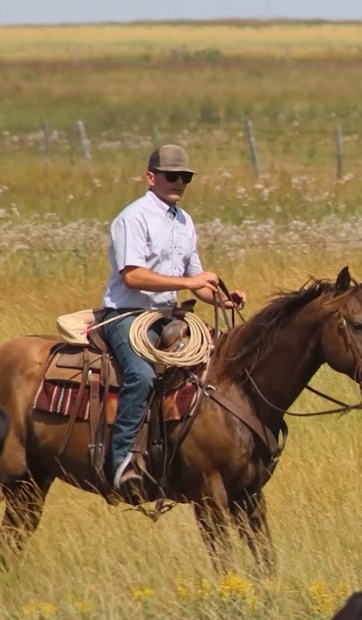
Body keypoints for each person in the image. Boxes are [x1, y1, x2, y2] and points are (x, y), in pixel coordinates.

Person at [95, 144, 247, 489]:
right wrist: (188, 282)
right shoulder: (132, 218)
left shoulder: (184, 221)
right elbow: (131, 275)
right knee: (141, 376)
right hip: (127, 316)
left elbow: (197, 281)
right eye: (171, 175)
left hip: (167, 315)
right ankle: (120, 461)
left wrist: (222, 299)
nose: (178, 182)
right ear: (151, 178)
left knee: (213, 367)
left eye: (185, 177)